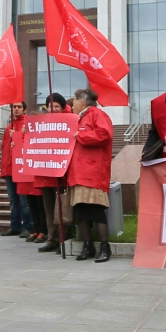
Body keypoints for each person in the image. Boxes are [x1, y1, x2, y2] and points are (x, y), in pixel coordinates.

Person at [68, 87, 115, 262]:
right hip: (78, 172)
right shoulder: (79, 117)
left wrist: (81, 134)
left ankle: (104, 246)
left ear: (81, 102)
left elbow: (104, 134)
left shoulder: (97, 115)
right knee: (80, 211)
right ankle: (88, 246)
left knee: (95, 210)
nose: (71, 106)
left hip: (92, 172)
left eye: (73, 102)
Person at [39, 92, 73, 250]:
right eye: (50, 106)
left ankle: (63, 238)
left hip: (61, 172)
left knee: (62, 208)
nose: (53, 109)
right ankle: (52, 238)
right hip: (44, 172)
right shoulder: (40, 123)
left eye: (57, 107)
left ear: (63, 107)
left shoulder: (70, 121)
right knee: (49, 207)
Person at [0, 101, 33, 238]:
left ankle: (27, 226)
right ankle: (15, 226)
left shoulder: (27, 125)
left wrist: (18, 135)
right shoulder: (8, 128)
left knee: (24, 200)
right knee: (13, 200)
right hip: (9, 168)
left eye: (19, 107)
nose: (16, 109)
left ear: (24, 109)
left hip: (21, 168)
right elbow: (4, 149)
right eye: (14, 107)